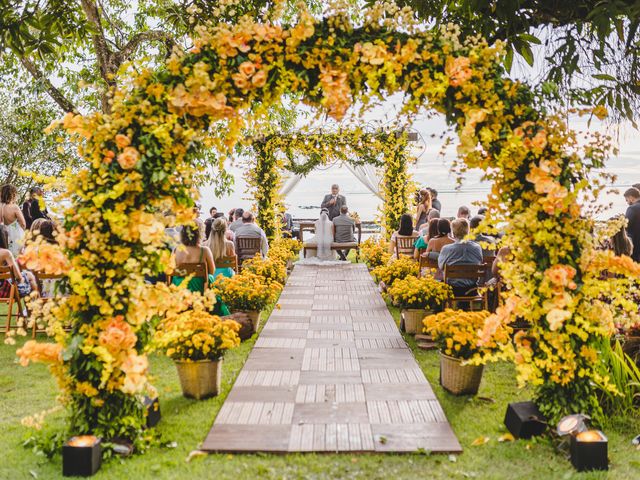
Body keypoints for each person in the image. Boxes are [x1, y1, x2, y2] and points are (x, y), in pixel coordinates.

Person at [171, 220, 229, 316]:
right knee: (210, 279)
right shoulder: (204, 250)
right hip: (199, 289)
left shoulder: (176, 250)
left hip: (180, 289)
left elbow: (170, 270)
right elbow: (212, 271)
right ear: (200, 233)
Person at [438, 218, 483, 296]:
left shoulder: (447, 249)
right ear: (468, 231)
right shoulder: (477, 248)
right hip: (471, 289)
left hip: (451, 289)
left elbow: (441, 266)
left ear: (453, 233)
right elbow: (480, 262)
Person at [0, 225, 36, 299]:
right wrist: (22, 280)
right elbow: (18, 277)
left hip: (3, 288)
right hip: (5, 292)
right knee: (29, 275)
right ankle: (34, 307)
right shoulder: (6, 253)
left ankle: (29, 309)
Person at [0, 184, 26, 257]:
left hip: (2, 233)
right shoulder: (14, 207)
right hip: (15, 234)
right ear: (13, 195)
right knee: (17, 255)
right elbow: (23, 224)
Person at [624, 187, 640, 262]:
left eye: (627, 200)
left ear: (631, 197)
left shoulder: (632, 208)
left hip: (635, 246)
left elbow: (626, 225)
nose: (627, 202)